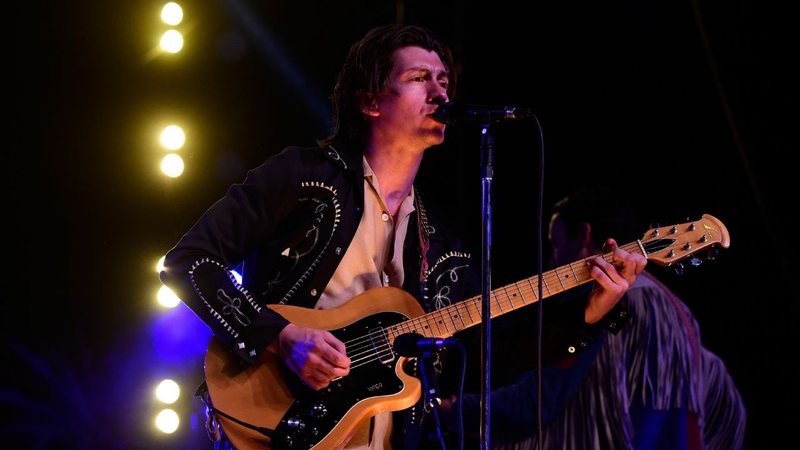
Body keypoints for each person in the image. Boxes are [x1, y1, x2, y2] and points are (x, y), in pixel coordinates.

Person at [159, 24, 646, 450]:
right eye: (418, 78)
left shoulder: (443, 241)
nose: (440, 94)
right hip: (278, 425)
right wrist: (282, 338)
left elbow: (491, 353)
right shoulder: (302, 178)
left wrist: (589, 312)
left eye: (444, 81)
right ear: (370, 101)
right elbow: (189, 262)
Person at [444, 186, 747, 449]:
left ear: (585, 234)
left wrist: (453, 410)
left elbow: (539, 401)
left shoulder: (617, 299)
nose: (552, 261)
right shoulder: (668, 305)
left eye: (554, 244)